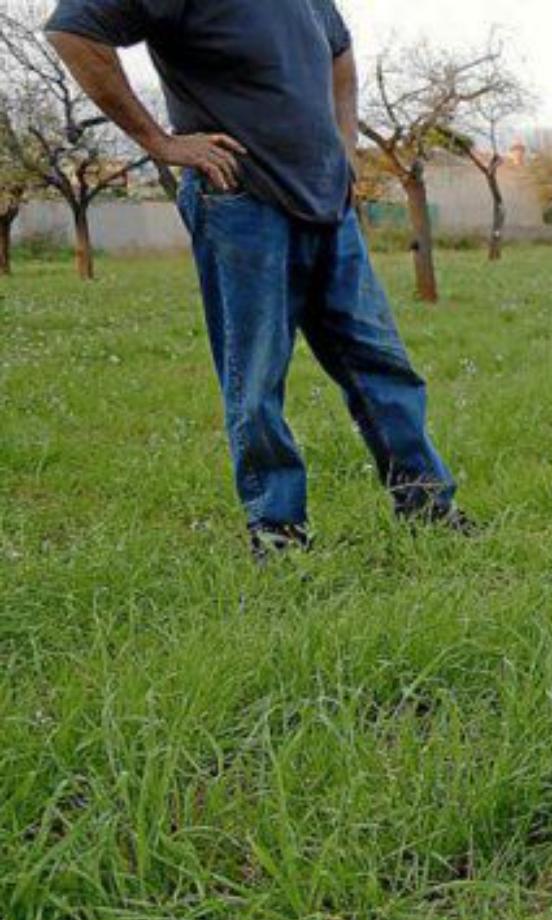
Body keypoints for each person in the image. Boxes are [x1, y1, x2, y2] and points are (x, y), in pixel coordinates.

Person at [45, 0, 473, 561]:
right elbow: (73, 32)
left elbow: (340, 54)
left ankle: (429, 508)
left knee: (383, 365)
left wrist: (345, 147)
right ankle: (279, 533)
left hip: (327, 202)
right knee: (257, 380)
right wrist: (161, 143)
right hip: (241, 201)